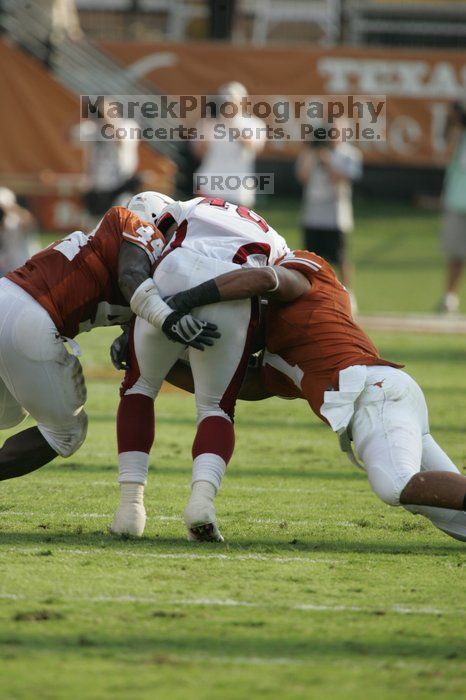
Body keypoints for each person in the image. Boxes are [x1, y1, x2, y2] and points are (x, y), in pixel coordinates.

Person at [164, 249, 466, 543]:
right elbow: (238, 384)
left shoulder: (300, 279)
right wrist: (158, 363)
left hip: (374, 393)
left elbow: (266, 278)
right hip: (385, 396)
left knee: (395, 484)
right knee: (456, 520)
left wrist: (185, 300)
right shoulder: (278, 354)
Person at [0, 192, 215, 483]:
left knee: (8, 414)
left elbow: (141, 321)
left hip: (8, 299)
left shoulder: (115, 252)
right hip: (29, 318)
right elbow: (131, 278)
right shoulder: (131, 224)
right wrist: (168, 318)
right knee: (67, 433)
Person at [110, 195, 289, 541]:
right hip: (234, 288)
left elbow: (147, 260)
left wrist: (134, 328)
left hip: (175, 272)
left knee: (139, 387)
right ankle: (201, 504)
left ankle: (130, 509)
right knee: (215, 408)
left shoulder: (178, 209)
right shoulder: (276, 237)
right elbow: (274, 292)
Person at [295, 126, 362, 311]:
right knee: (309, 259)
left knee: (341, 258)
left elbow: (342, 178)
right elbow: (302, 177)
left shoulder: (349, 154)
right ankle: (307, 294)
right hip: (312, 214)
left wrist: (327, 161)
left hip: (336, 216)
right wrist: (311, 152)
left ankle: (348, 294)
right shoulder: (311, 153)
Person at [192, 82, 266, 208]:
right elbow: (199, 153)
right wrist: (208, 123)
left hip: (238, 190)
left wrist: (230, 123)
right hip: (209, 187)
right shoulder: (208, 122)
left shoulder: (253, 123)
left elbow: (253, 147)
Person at [437, 100, 466, 314]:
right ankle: (450, 296)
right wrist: (454, 133)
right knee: (456, 252)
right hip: (458, 200)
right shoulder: (458, 138)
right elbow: (444, 158)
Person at [0, 188, 39, 277]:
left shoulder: (18, 218)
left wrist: (10, 208)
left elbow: (28, 221)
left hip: (26, 266)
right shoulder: (4, 221)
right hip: (7, 268)